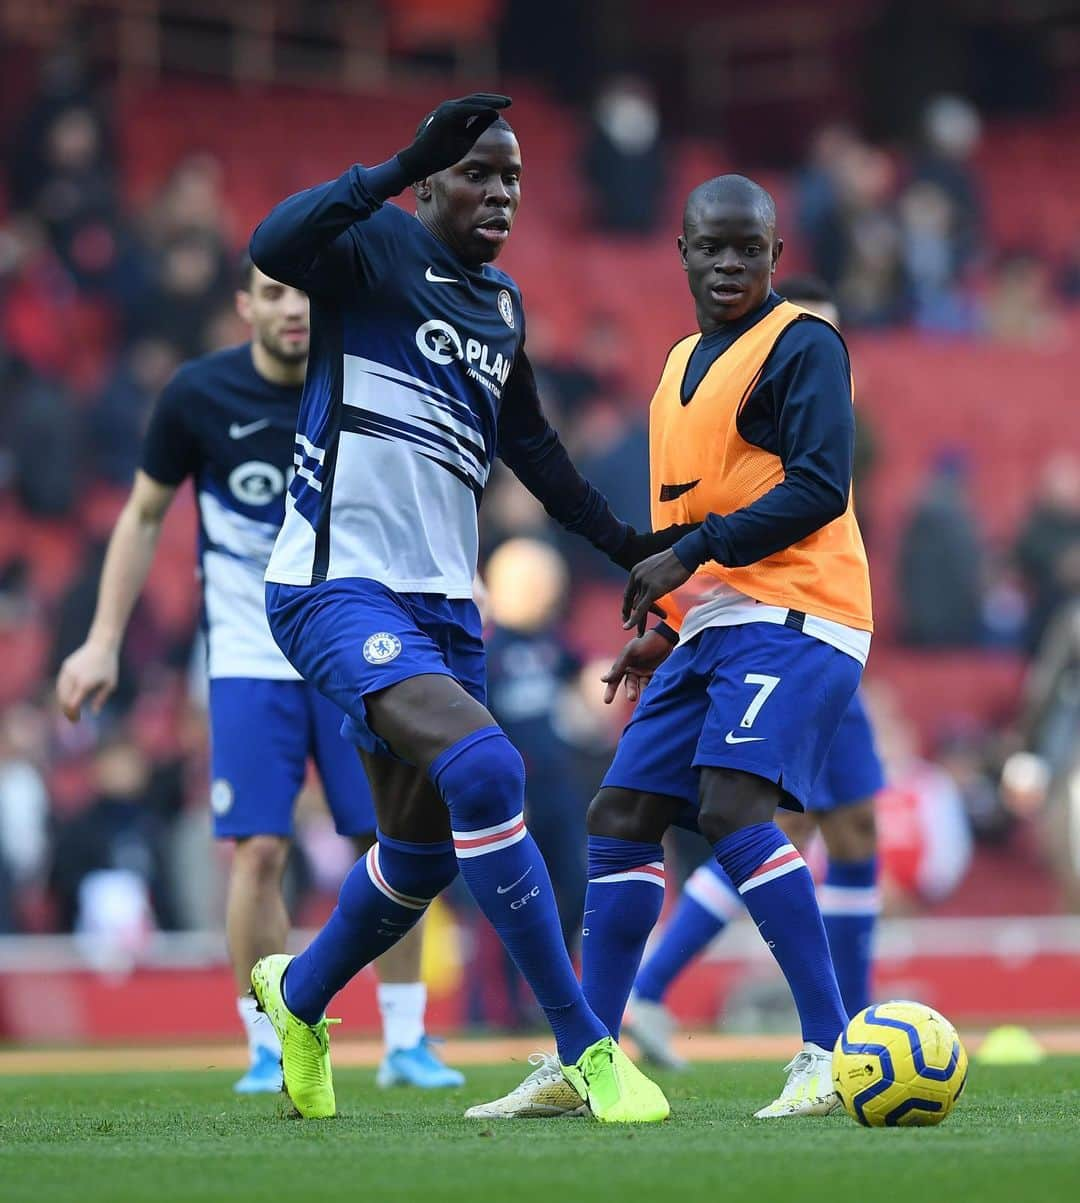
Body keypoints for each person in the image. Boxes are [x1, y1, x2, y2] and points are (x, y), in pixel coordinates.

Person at [247, 93, 685, 1123]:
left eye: (515, 179)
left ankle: (297, 998)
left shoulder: (501, 306)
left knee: (421, 855)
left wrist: (631, 550)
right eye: (479, 173)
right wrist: (398, 164)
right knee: (490, 767)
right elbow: (273, 242)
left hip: (446, 605)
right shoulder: (374, 252)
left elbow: (531, 450)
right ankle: (587, 1047)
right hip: (333, 583)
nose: (500, 194)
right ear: (435, 181)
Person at [470, 176, 873, 1121]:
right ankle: (591, 1059)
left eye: (749, 249)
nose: (729, 263)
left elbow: (817, 486)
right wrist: (665, 628)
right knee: (618, 815)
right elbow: (699, 515)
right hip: (717, 622)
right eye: (712, 247)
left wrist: (687, 557)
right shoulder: (677, 365)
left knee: (730, 805)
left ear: (776, 258)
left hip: (802, 611)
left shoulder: (804, 345)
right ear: (684, 252)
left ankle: (830, 1046)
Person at [56, 260, 463, 1093]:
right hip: (247, 654)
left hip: (350, 643)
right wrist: (101, 640)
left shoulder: (361, 383)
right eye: (273, 292)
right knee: (258, 851)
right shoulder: (197, 396)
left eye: (306, 293)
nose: (292, 310)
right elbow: (140, 515)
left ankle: (406, 1041)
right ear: (244, 304)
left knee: (392, 838)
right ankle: (266, 1042)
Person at [623, 278, 885, 1070]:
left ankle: (845, 1015)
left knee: (835, 827)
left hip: (817, 622)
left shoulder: (836, 422)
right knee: (772, 821)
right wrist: (674, 613)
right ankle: (838, 1027)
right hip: (781, 628)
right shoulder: (756, 397)